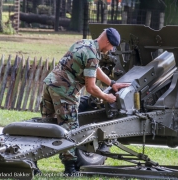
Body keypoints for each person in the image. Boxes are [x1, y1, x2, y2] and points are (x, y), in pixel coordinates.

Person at [39, 27, 130, 175]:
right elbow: (91, 88)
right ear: (107, 41)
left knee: (47, 126)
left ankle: (31, 162)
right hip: (64, 91)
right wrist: (107, 97)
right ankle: (70, 169)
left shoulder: (84, 43)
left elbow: (95, 69)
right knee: (70, 129)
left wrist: (112, 83)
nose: (112, 49)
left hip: (50, 84)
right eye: (112, 45)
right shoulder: (92, 55)